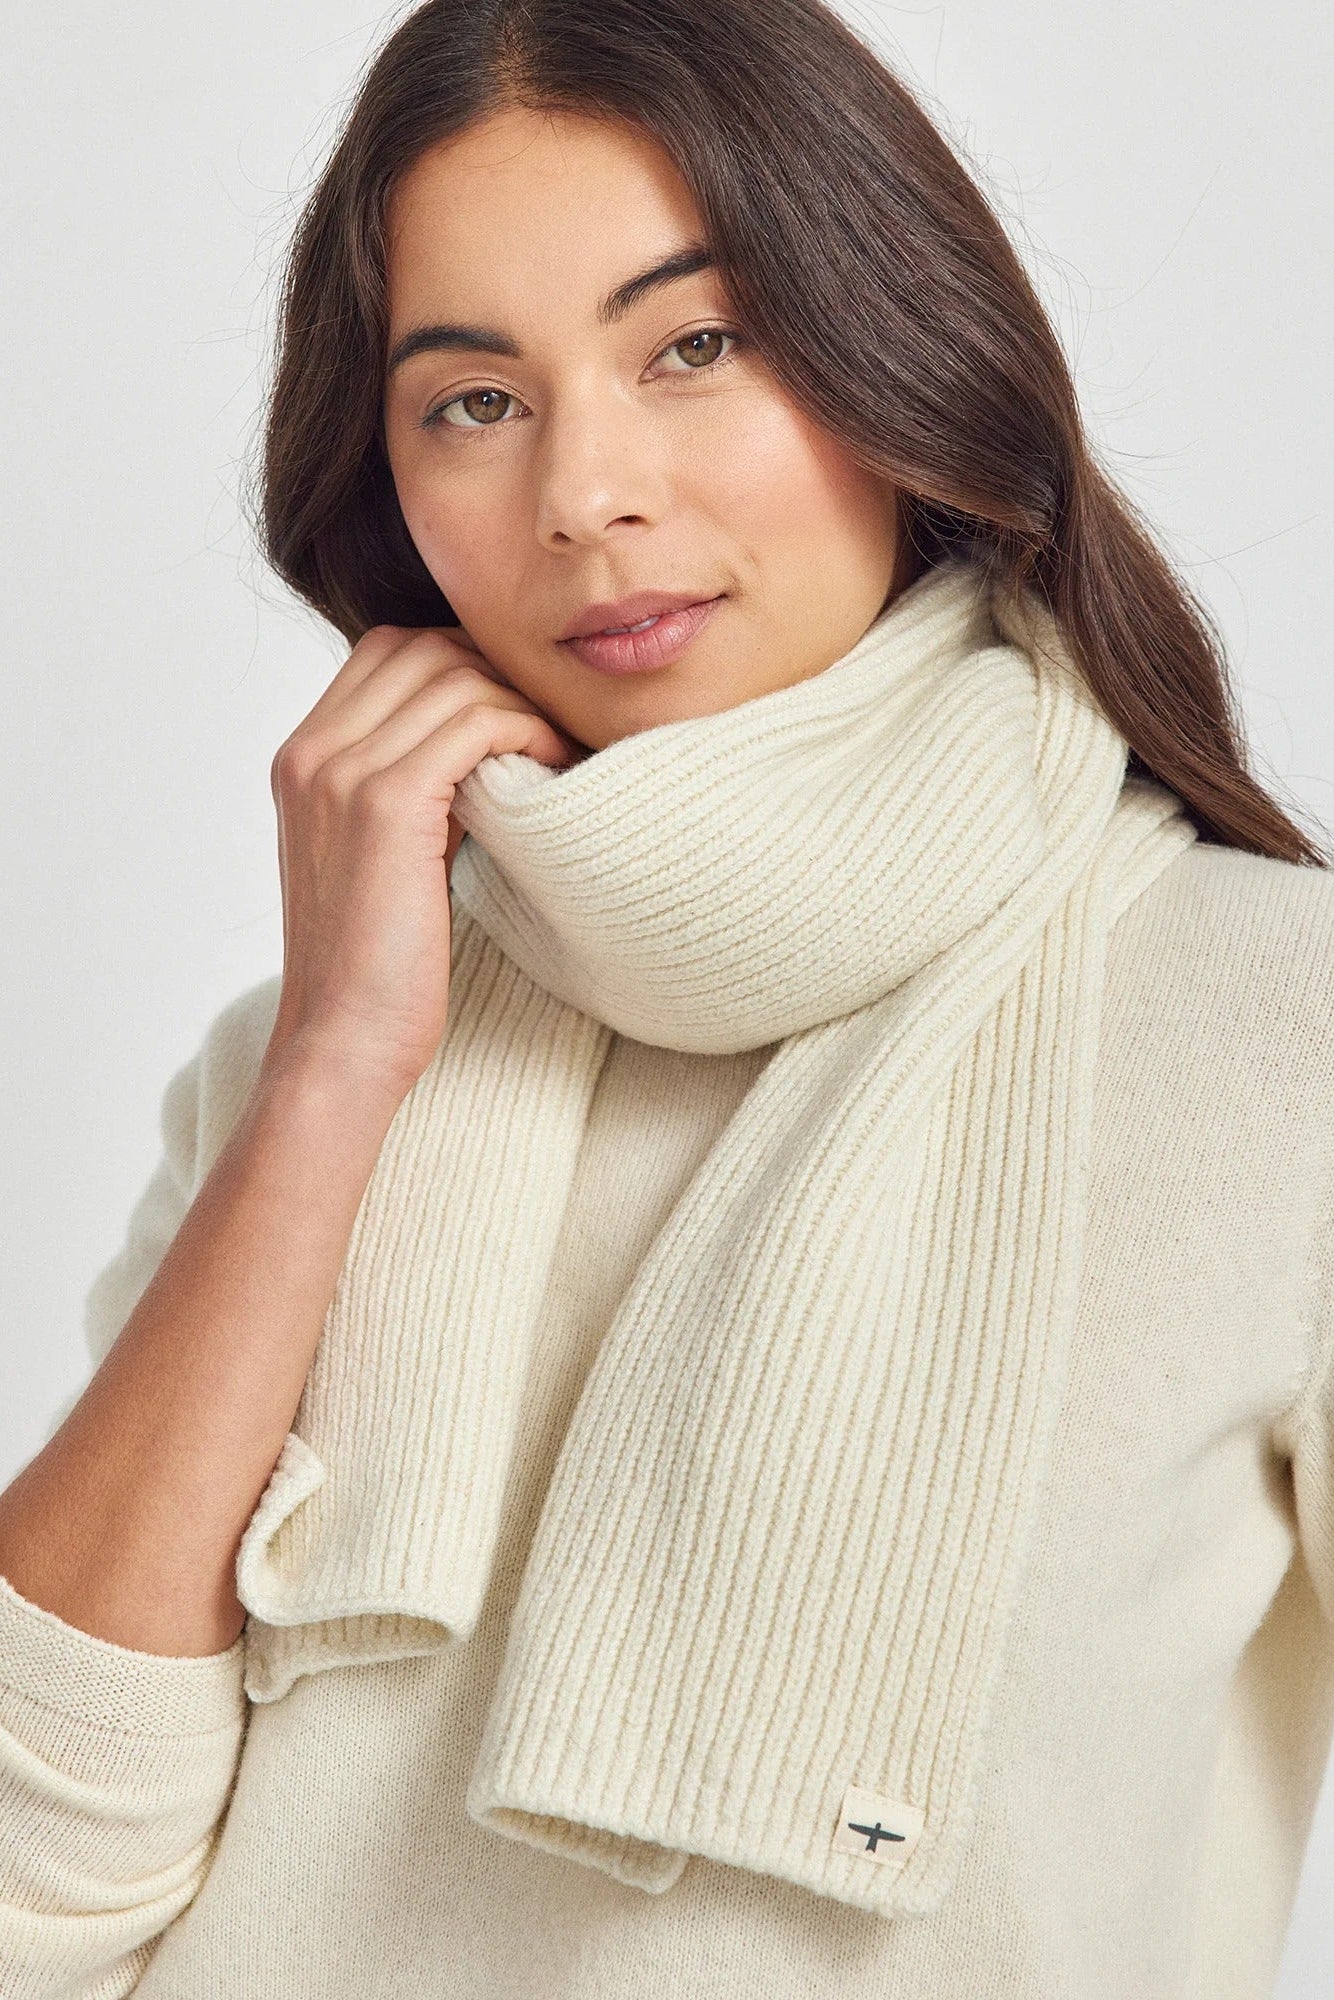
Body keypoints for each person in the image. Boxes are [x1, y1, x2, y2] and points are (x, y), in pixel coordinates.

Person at [1, 1, 1331, 1995]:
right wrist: (336, 1069)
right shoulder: (286, 1081)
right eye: (473, 399)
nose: (585, 492)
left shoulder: (1275, 1035)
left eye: (694, 346)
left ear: (903, 350)